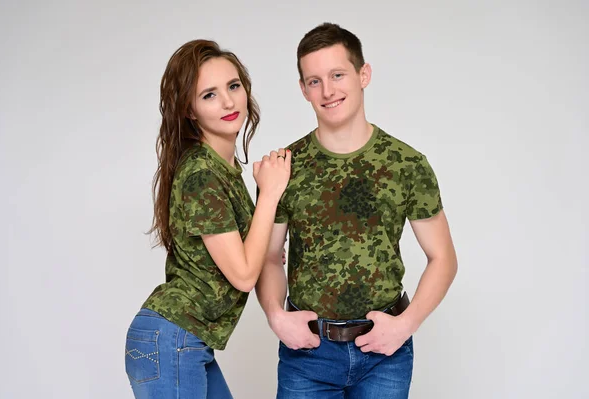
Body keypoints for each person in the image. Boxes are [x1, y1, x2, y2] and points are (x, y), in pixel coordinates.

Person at [255, 23, 458, 398]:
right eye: (314, 81)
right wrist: (275, 316)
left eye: (337, 75)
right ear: (303, 89)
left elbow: (443, 257)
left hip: (385, 353)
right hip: (309, 352)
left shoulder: (406, 164)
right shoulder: (285, 166)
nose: (328, 90)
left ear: (363, 75)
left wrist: (406, 324)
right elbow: (268, 257)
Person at [124, 39, 291, 399]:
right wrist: (271, 193)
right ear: (190, 110)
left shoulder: (223, 170)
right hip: (171, 338)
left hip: (185, 342)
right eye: (209, 95)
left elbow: (257, 258)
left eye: (233, 86)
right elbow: (243, 274)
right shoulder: (202, 174)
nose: (229, 102)